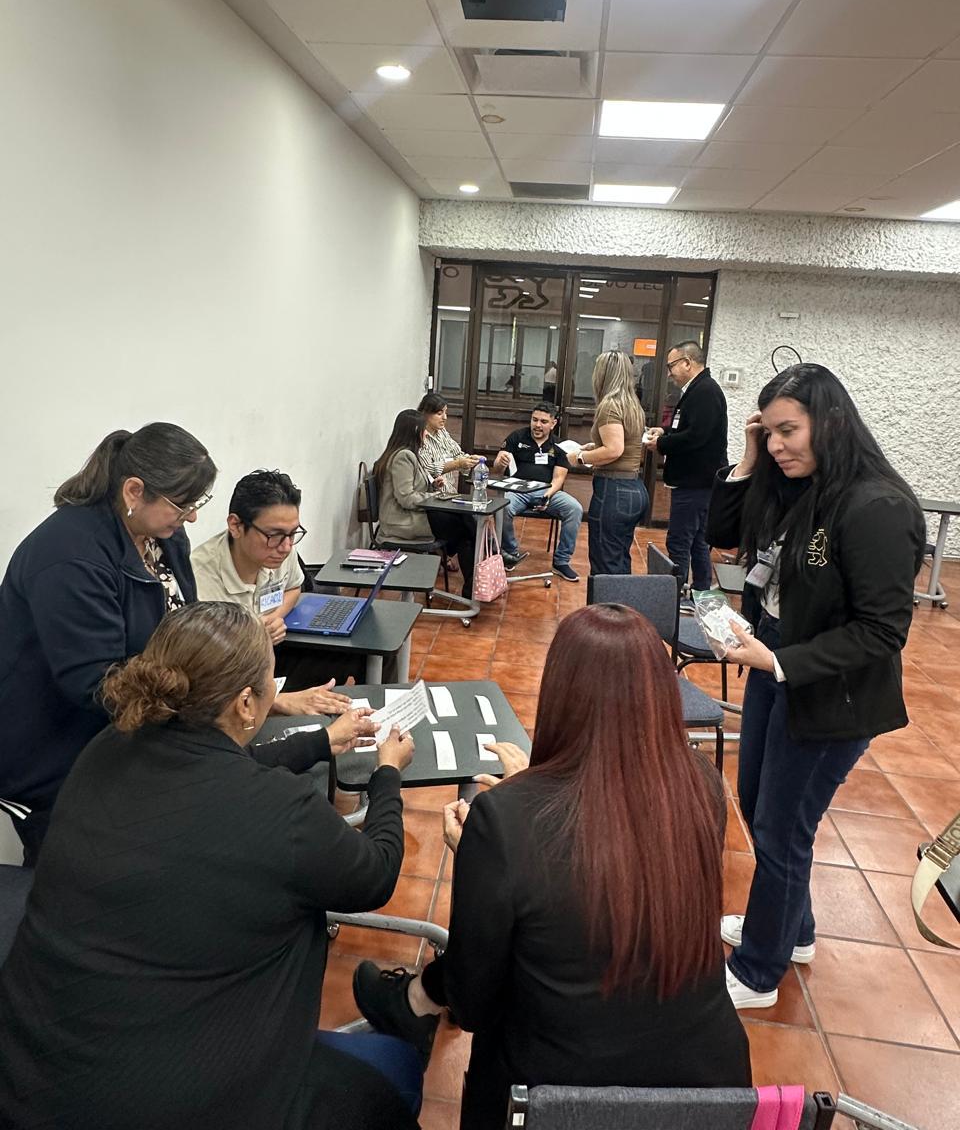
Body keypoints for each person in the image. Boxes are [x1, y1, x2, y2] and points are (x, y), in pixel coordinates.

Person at [0, 602, 419, 1130]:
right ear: (246, 703)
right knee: (387, 1089)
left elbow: (220, 768)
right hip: (175, 1096)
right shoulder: (280, 810)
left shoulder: (108, 746)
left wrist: (320, 740)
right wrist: (387, 775)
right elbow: (375, 873)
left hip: (36, 1069)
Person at [353, 605, 751, 1128]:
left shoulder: (503, 821)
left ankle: (413, 1002)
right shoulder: (702, 786)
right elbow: (613, 848)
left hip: (556, 1099)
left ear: (561, 692)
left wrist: (484, 849)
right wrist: (534, 786)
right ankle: (413, 1000)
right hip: (707, 1090)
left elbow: (472, 1005)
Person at [706, 363, 926, 1010]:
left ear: (829, 422)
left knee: (782, 828)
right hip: (775, 663)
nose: (777, 445)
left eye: (788, 431)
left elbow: (883, 631)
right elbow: (722, 533)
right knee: (759, 806)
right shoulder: (798, 486)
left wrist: (779, 661)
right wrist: (749, 457)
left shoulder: (876, 506)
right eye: (768, 432)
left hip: (831, 694)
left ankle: (759, 971)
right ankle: (792, 929)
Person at [0, 422, 214, 865]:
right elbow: (98, 683)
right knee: (71, 876)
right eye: (184, 504)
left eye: (198, 503)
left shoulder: (163, 535)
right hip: (52, 751)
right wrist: (203, 704)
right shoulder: (68, 554)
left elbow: (182, 625)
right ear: (134, 491)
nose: (192, 516)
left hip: (125, 732)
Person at [193, 468, 362, 706]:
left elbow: (294, 588)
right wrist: (255, 633)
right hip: (229, 674)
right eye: (274, 535)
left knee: (362, 656)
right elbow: (209, 665)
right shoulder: (200, 575)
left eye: (292, 534)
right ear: (236, 525)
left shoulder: (282, 549)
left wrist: (276, 617)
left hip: (273, 653)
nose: (286, 547)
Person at [648, 342, 728, 593]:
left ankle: (677, 595)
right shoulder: (697, 389)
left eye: (671, 366)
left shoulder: (705, 391)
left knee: (680, 541)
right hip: (698, 481)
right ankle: (701, 590)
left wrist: (661, 444)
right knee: (697, 541)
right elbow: (687, 427)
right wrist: (665, 431)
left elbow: (696, 436)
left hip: (695, 483)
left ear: (687, 362)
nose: (669, 373)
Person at [374, 409, 476, 600]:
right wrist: (434, 496)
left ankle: (473, 584)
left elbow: (412, 487)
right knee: (465, 527)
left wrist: (432, 485)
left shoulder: (409, 454)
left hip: (412, 516)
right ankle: (475, 584)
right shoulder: (403, 457)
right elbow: (406, 498)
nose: (427, 435)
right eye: (424, 431)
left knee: (466, 523)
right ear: (415, 432)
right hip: (401, 523)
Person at [574, 349, 649, 575]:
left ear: (602, 374)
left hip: (614, 491)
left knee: (605, 565)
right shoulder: (633, 405)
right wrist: (595, 447)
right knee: (619, 559)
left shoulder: (610, 405)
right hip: (634, 488)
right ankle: (622, 599)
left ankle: (608, 600)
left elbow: (614, 450)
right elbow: (626, 444)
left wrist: (580, 457)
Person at [491, 402, 583, 582]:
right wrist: (500, 463)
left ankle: (561, 561)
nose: (537, 425)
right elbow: (497, 469)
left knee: (574, 508)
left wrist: (547, 496)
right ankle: (510, 552)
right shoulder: (516, 437)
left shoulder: (559, 445)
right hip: (517, 490)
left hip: (546, 490)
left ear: (553, 423)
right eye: (534, 420)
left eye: (543, 421)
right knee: (503, 506)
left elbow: (559, 478)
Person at [417, 392, 479, 494]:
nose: (445, 417)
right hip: (430, 495)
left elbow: (457, 454)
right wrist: (457, 464)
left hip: (449, 492)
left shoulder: (442, 432)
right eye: (439, 414)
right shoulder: (418, 436)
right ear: (425, 414)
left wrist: (470, 459)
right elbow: (427, 469)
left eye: (446, 413)